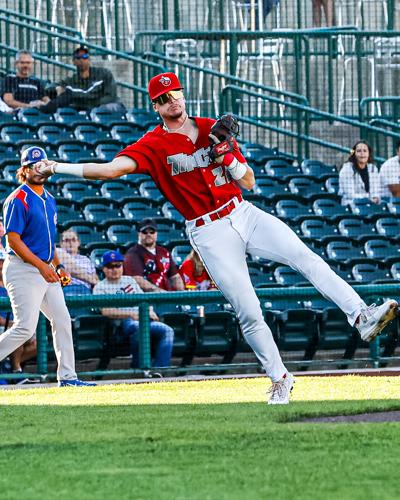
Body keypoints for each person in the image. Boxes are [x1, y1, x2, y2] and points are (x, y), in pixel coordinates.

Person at [35, 71, 398, 404]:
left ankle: (361, 315)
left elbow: (249, 182)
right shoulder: (153, 144)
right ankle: (279, 377)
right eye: (163, 98)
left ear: (183, 94)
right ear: (156, 106)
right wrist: (56, 166)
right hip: (208, 231)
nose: (172, 101)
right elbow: (110, 171)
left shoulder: (212, 128)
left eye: (175, 93)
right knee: (248, 308)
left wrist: (227, 157)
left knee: (307, 258)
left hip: (243, 212)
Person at [0, 146, 96, 387]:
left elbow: (49, 242)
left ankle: (68, 377)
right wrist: (42, 267)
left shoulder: (49, 199)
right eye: (33, 166)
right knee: (24, 327)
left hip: (44, 267)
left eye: (42, 164)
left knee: (62, 320)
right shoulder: (17, 198)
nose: (39, 169)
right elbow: (13, 240)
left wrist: (59, 266)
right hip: (22, 268)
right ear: (24, 170)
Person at [93, 250, 174, 368]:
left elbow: (143, 299)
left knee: (167, 331)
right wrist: (131, 314)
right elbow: (106, 311)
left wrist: (150, 311)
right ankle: (141, 367)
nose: (115, 269)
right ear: (104, 268)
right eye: (110, 266)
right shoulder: (100, 287)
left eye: (118, 265)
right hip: (122, 324)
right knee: (138, 328)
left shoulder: (129, 280)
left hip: (143, 319)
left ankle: (160, 369)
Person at [40, 46, 125, 114]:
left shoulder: (103, 74)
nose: (82, 60)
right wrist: (56, 88)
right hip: (85, 110)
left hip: (104, 107)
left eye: (85, 57)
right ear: (74, 62)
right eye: (78, 57)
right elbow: (49, 88)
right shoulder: (71, 81)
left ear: (89, 59)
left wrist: (90, 104)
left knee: (106, 109)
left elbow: (110, 96)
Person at [0, 250, 37, 380]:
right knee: (17, 333)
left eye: (2, 262)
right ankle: (16, 371)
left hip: (15, 322)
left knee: (37, 344)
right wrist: (9, 324)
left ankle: (8, 366)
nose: (0, 265)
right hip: (4, 325)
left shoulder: (13, 282)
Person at [124, 218, 185, 292]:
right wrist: (161, 293)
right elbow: (137, 279)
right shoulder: (133, 254)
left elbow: (175, 277)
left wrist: (181, 293)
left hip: (167, 295)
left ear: (156, 233)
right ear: (138, 234)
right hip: (146, 297)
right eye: (145, 232)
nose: (148, 235)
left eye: (152, 232)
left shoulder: (164, 252)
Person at [339, 141, 381, 206]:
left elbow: (375, 193)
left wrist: (374, 198)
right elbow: (350, 195)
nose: (362, 153)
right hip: (351, 206)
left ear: (369, 153)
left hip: (371, 205)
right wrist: (369, 198)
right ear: (354, 154)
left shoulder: (373, 168)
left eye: (365, 151)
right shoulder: (346, 169)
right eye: (359, 151)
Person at [57, 229, 99, 294]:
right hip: (65, 289)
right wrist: (91, 279)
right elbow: (72, 270)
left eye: (73, 240)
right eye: (67, 240)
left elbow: (95, 278)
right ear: (61, 244)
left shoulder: (86, 260)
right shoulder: (58, 254)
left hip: (85, 290)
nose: (70, 243)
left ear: (78, 242)